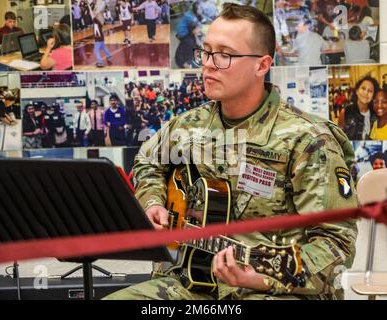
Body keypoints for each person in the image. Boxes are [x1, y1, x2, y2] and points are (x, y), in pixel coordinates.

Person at [105, 3, 358, 300]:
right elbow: (148, 161)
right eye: (206, 51)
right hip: (192, 282)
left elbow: (336, 246)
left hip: (275, 291)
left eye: (224, 54)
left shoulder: (308, 141)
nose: (209, 64)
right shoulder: (190, 126)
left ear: (262, 65)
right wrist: (152, 202)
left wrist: (263, 279)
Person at [338, 76, 379, 140]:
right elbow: (339, 138)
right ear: (357, 91)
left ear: (373, 96)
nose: (366, 93)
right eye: (363, 88)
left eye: (370, 91)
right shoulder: (345, 112)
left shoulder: (375, 115)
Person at [175, 1, 204, 68]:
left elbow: (196, 27)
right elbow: (195, 29)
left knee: (198, 40)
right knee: (195, 42)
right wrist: (197, 39)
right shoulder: (191, 18)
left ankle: (197, 59)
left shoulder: (193, 14)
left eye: (202, 8)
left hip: (188, 31)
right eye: (200, 8)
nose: (202, 10)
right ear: (195, 10)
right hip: (183, 34)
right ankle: (193, 60)